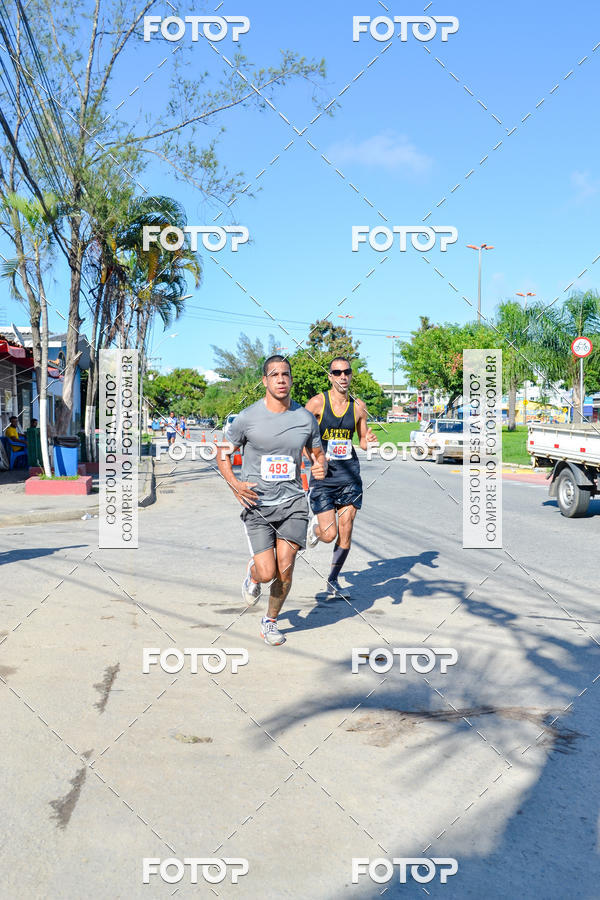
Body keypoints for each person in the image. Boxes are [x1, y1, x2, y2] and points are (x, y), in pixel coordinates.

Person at [217, 355, 328, 646]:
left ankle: (270, 621)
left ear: (291, 380)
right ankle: (253, 576)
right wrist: (235, 484)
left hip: (293, 503)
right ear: (265, 381)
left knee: (286, 567)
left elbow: (317, 454)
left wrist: (320, 465)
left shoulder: (304, 418)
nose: (281, 379)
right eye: (274, 374)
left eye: (286, 374)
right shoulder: (247, 418)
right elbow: (223, 453)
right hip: (258, 504)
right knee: (267, 571)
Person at [305, 357, 378, 598]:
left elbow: (363, 441)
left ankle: (333, 580)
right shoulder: (316, 403)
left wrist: (369, 440)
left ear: (351, 374)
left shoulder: (358, 406)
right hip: (323, 475)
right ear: (330, 376)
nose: (342, 376)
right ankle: (315, 528)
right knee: (329, 534)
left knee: (346, 528)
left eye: (346, 372)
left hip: (349, 475)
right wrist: (314, 460)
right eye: (337, 372)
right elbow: (301, 438)